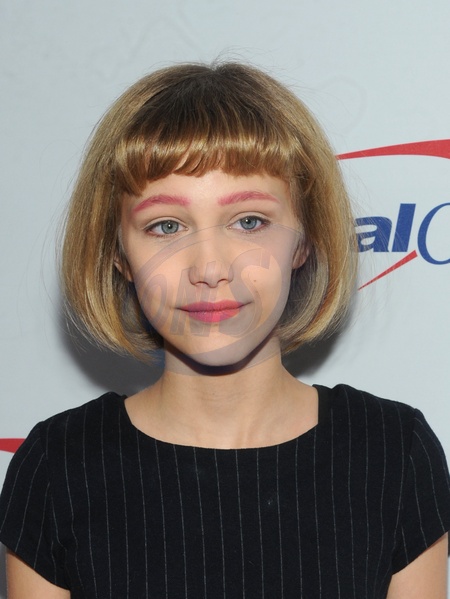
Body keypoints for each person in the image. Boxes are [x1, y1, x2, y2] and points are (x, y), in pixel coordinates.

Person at [0, 61, 449, 599]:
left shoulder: (394, 455)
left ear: (305, 241)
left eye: (249, 222)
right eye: (166, 226)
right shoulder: (58, 468)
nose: (210, 268)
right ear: (118, 254)